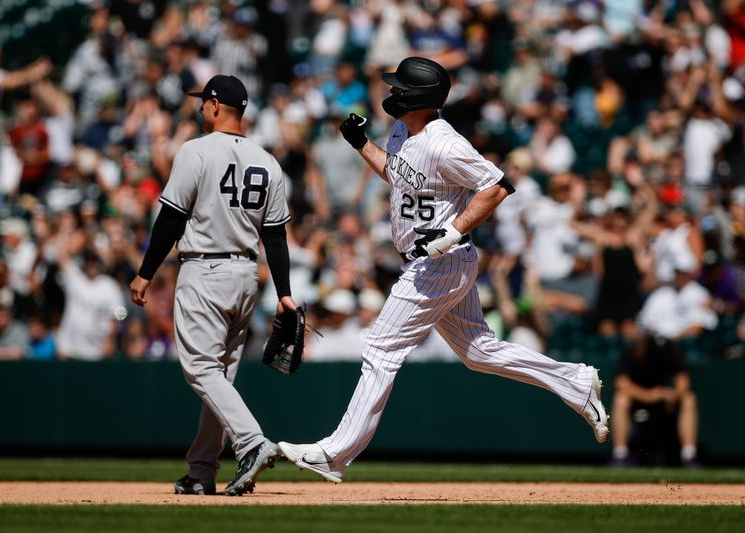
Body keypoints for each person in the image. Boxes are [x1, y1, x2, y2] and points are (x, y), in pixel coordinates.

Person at [278, 57, 609, 483]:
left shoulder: (444, 141)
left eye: (400, 89)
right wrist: (361, 143)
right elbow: (397, 176)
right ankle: (576, 383)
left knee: (380, 348)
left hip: (438, 262)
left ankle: (335, 453)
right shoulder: (403, 129)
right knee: (479, 352)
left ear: (418, 98)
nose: (393, 93)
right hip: (436, 261)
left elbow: (496, 187)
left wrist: (451, 231)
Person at [129, 75, 297, 496]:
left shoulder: (195, 150)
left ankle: (252, 443)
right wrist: (285, 293)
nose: (201, 107)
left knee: (201, 369)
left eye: (204, 102)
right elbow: (275, 236)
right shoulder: (268, 160)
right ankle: (202, 470)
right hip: (246, 275)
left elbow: (171, 217)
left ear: (217, 105)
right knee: (218, 376)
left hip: (205, 270)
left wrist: (145, 272)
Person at [611, 332, 699, 467]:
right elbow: (622, 384)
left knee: (689, 399)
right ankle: (620, 455)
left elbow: (683, 380)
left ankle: (689, 456)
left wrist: (673, 395)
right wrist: (649, 395)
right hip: (638, 399)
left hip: (664, 399)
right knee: (620, 399)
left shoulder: (668, 347)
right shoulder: (631, 349)